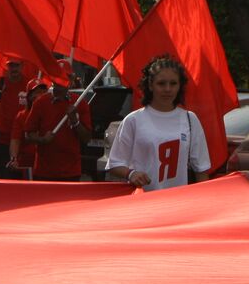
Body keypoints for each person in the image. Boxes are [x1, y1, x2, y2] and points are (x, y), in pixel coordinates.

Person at [107, 54, 211, 191]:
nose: (168, 89)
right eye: (161, 83)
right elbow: (114, 163)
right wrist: (131, 174)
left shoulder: (190, 119)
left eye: (173, 83)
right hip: (143, 203)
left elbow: (201, 170)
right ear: (150, 85)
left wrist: (202, 204)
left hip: (179, 204)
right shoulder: (134, 120)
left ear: (180, 86)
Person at [19, 62, 91, 181]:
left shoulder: (79, 103)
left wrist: (75, 121)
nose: (59, 82)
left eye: (64, 78)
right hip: (44, 171)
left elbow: (86, 138)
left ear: (70, 80)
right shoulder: (40, 102)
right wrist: (42, 139)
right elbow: (28, 134)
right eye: (56, 77)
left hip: (71, 172)